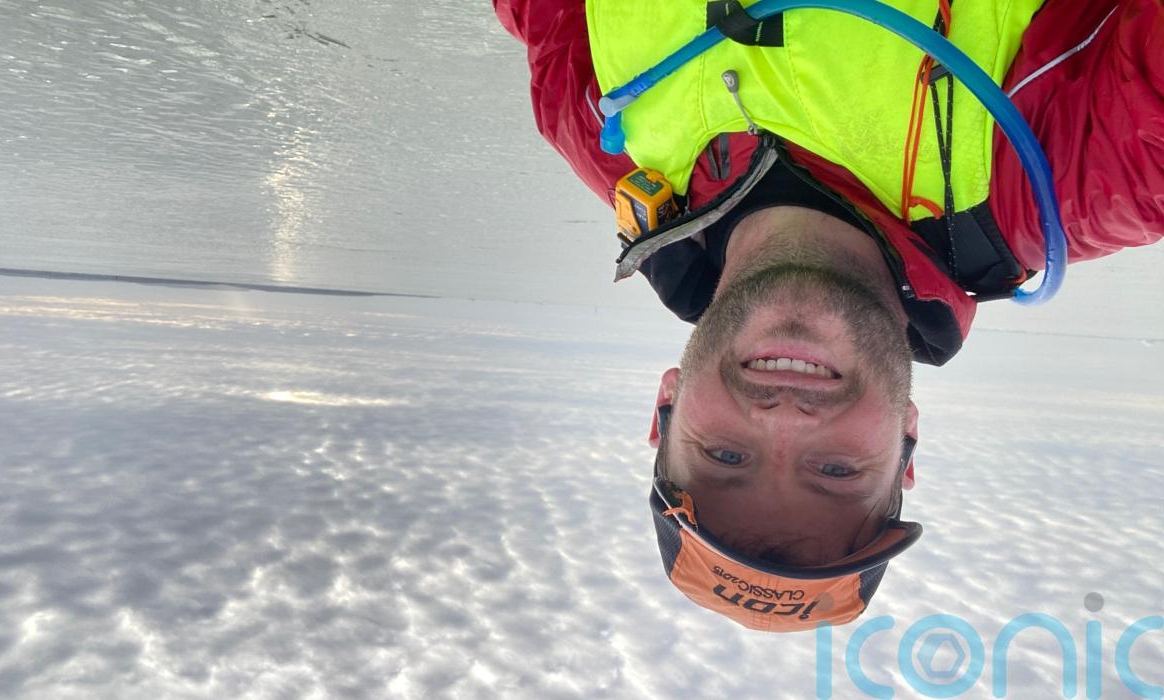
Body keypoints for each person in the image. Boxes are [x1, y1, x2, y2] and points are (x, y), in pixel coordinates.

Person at [495, 0, 1163, 631]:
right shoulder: (1090, 169)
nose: (785, 418)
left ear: (665, 407)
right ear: (904, 441)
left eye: (727, 456)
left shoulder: (600, 131)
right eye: (836, 473)